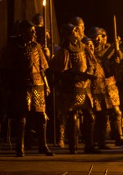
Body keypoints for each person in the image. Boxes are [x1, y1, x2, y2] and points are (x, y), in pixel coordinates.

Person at [0, 20, 53, 157]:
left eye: (34, 31)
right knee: (21, 118)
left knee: (41, 116)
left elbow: (42, 68)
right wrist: (7, 87)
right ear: (23, 32)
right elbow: (6, 69)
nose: (34, 33)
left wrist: (46, 84)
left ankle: (43, 145)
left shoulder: (37, 46)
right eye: (31, 31)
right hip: (21, 85)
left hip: (38, 84)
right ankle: (20, 147)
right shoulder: (13, 47)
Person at [51, 22, 100, 154]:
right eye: (73, 31)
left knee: (90, 116)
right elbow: (61, 70)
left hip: (85, 85)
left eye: (76, 31)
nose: (77, 33)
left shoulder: (84, 47)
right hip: (72, 87)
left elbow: (92, 63)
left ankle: (89, 145)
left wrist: (89, 73)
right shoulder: (64, 50)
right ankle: (73, 146)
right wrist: (73, 76)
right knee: (72, 116)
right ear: (67, 35)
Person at [90, 27, 123, 150]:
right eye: (95, 37)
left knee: (117, 111)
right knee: (100, 114)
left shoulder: (110, 48)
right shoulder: (91, 50)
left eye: (100, 37)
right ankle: (100, 140)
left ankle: (120, 137)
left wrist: (117, 55)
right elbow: (98, 59)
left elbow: (120, 63)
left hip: (110, 83)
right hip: (98, 85)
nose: (98, 40)